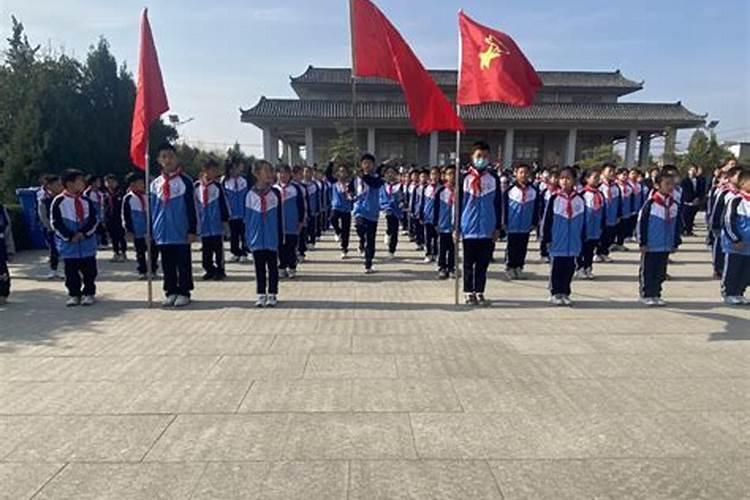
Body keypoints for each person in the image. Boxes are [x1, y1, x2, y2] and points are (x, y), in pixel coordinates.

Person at [151, 143, 197, 308]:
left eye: (170, 156)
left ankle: (184, 291)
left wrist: (192, 229)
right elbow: (153, 208)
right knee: (167, 264)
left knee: (183, 263)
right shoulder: (155, 183)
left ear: (176, 158)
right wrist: (152, 229)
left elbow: (192, 207)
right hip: (162, 231)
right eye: (164, 156)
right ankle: (170, 291)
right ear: (158, 160)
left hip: (180, 230)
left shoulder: (185, 181)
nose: (167, 160)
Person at [460, 141, 502, 306]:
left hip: (487, 228)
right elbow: (457, 205)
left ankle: (480, 291)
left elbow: (498, 204)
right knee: (468, 263)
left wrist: (497, 226)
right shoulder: (464, 178)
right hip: (468, 227)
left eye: (485, 156)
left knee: (483, 264)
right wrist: (456, 227)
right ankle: (468, 292)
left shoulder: (493, 179)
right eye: (478, 156)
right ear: (472, 157)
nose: (481, 159)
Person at [50, 169, 99, 307]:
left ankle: (89, 293)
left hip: (87, 244)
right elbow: (55, 223)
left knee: (90, 271)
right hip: (69, 245)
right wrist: (69, 236)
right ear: (69, 183)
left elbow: (94, 220)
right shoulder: (58, 201)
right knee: (71, 273)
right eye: (79, 181)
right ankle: (74, 294)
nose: (83, 183)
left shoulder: (86, 201)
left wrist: (84, 233)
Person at [542, 167, 585, 306]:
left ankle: (565, 292)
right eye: (562, 178)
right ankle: (555, 292)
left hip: (573, 241)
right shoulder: (554, 198)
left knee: (569, 268)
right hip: (558, 240)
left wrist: (583, 238)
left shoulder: (579, 199)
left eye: (568, 178)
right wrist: (547, 238)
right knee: (557, 268)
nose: (565, 181)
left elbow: (583, 221)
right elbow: (547, 220)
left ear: (574, 181)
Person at [637, 172, 682, 307]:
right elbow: (642, 223)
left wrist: (675, 241)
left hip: (666, 244)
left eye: (672, 184)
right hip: (651, 244)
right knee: (648, 270)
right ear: (657, 185)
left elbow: (677, 225)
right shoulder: (650, 204)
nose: (670, 187)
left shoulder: (674, 205)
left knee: (660, 271)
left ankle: (656, 293)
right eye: (666, 184)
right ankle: (646, 294)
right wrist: (642, 242)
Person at [244, 160, 283, 307]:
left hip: (271, 237)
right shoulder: (250, 195)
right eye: (266, 171)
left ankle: (272, 293)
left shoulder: (275, 194)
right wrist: (247, 238)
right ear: (256, 174)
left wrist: (281, 236)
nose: (270, 174)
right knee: (259, 267)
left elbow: (280, 218)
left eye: (271, 171)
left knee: (273, 266)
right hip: (256, 238)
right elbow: (247, 219)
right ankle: (261, 293)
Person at [503, 163, 540, 280]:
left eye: (526, 172)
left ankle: (519, 267)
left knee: (522, 247)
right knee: (512, 246)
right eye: (521, 172)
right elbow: (504, 207)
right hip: (512, 224)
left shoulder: (534, 190)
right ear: (516, 173)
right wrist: (504, 222)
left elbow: (536, 208)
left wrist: (534, 222)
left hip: (526, 225)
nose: (523, 175)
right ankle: (510, 267)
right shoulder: (509, 190)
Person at [195, 159, 230, 281]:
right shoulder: (197, 187)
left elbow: (224, 203)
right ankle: (209, 269)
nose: (215, 173)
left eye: (216, 170)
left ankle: (220, 270)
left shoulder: (217, 187)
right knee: (206, 250)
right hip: (204, 224)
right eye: (212, 170)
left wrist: (225, 218)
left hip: (216, 224)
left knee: (218, 250)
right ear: (205, 171)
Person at [720, 168, 750, 305]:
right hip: (736, 245)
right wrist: (735, 239)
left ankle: (739, 292)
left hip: (748, 247)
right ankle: (729, 292)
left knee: (745, 272)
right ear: (742, 183)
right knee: (733, 269)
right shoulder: (736, 201)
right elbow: (727, 221)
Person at [122, 172, 158, 279]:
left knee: (153, 251)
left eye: (142, 182)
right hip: (137, 230)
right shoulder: (128, 198)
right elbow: (125, 215)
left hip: (150, 229)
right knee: (140, 252)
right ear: (132, 185)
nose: (142, 184)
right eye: (139, 183)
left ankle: (153, 269)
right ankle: (142, 270)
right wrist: (128, 229)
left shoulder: (149, 196)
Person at [353, 153, 385, 274]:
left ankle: (368, 264)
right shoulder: (356, 178)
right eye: (364, 163)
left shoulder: (378, 178)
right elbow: (351, 189)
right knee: (359, 227)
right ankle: (361, 240)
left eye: (369, 163)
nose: (367, 165)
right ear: (361, 164)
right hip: (360, 210)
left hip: (372, 212)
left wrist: (363, 176)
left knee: (370, 240)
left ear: (373, 165)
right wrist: (350, 194)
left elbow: (374, 184)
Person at [710, 166, 742, 279]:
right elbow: (716, 210)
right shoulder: (725, 193)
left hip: (738, 230)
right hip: (722, 229)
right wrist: (714, 226)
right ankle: (718, 269)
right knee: (720, 249)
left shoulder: (743, 194)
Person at [275, 164, 306, 278]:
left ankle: (292, 267)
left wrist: (301, 220)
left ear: (290, 175)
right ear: (277, 174)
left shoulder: (295, 189)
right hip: (278, 225)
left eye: (286, 173)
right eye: (280, 173)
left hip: (292, 223)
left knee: (291, 246)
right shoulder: (274, 189)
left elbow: (301, 205)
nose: (283, 175)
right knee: (280, 247)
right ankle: (282, 266)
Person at [577, 168, 606, 279]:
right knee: (582, 249)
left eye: (598, 178)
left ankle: (588, 267)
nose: (597, 180)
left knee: (590, 249)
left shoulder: (600, 194)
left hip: (596, 228)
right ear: (586, 179)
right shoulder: (582, 194)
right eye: (594, 178)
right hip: (585, 228)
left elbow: (603, 211)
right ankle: (580, 268)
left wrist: (602, 225)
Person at [223, 159, 250, 263]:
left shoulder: (244, 181)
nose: (235, 171)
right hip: (231, 213)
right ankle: (235, 252)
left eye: (237, 168)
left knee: (243, 234)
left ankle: (244, 252)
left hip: (243, 213)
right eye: (232, 168)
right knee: (233, 235)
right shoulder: (225, 181)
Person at [37, 174, 63, 279]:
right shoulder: (44, 199)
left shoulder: (61, 198)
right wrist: (50, 227)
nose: (60, 187)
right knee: (53, 249)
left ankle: (66, 269)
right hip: (50, 229)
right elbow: (42, 215)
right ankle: (53, 270)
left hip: (62, 228)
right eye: (57, 185)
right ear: (49, 186)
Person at [596, 163, 622, 262]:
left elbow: (619, 202)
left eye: (613, 171)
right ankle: (597, 252)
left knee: (609, 236)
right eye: (609, 171)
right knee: (600, 235)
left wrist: (619, 214)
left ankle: (604, 252)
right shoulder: (599, 186)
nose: (612, 173)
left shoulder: (616, 187)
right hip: (602, 216)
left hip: (612, 216)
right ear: (603, 172)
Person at [434, 166, 457, 279]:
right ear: (445, 176)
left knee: (453, 248)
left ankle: (452, 267)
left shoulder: (461, 191)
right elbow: (436, 208)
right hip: (443, 224)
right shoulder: (441, 191)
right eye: (449, 174)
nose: (452, 176)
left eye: (454, 173)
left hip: (455, 226)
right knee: (442, 248)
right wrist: (435, 222)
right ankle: (442, 267)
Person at [380, 165, 404, 258]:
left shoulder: (399, 185)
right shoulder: (382, 185)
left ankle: (391, 250)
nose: (390, 174)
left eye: (392, 173)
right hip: (387, 208)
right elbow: (380, 196)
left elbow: (402, 196)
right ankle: (388, 233)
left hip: (397, 209)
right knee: (391, 223)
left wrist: (402, 202)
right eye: (388, 173)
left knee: (395, 229)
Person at [330, 166, 354, 259]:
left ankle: (344, 249)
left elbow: (353, 193)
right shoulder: (334, 182)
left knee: (346, 229)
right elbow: (328, 173)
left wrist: (350, 195)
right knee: (332, 218)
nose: (342, 173)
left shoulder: (350, 184)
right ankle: (338, 231)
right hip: (336, 206)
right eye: (340, 171)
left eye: (344, 171)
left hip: (346, 209)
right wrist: (331, 163)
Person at [538, 169, 559, 263]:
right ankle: (543, 253)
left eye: (557, 178)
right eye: (553, 178)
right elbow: (540, 206)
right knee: (544, 235)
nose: (555, 180)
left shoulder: (559, 192)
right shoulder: (544, 192)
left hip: (555, 218)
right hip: (544, 218)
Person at [420, 167, 442, 263]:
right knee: (428, 237)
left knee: (437, 237)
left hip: (438, 217)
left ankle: (436, 254)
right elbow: (422, 202)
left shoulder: (442, 188)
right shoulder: (426, 188)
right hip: (427, 216)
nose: (434, 176)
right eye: (432, 174)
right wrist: (421, 214)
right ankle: (428, 254)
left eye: (436, 174)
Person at [104, 174, 127, 262]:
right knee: (113, 237)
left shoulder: (121, 193)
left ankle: (123, 252)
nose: (110, 184)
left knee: (121, 236)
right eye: (107, 182)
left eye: (112, 182)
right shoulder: (105, 194)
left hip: (119, 218)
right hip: (110, 219)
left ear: (116, 182)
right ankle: (116, 252)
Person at [680, 164, 707, 236]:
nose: (693, 172)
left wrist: (698, 198)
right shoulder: (684, 181)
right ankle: (684, 230)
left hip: (696, 203)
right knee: (686, 217)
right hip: (687, 202)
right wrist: (691, 199)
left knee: (692, 217)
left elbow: (701, 191)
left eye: (695, 170)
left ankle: (689, 230)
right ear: (688, 171)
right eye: (692, 170)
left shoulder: (699, 180)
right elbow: (685, 192)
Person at [84, 175, 109, 249]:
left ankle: (102, 243)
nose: (99, 183)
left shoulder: (100, 193)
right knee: (94, 230)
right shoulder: (87, 193)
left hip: (100, 215)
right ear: (92, 182)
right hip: (92, 215)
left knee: (101, 229)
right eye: (97, 181)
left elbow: (103, 205)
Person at [613, 167, 634, 251]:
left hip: (626, 211)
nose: (625, 177)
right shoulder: (615, 186)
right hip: (616, 212)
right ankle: (612, 243)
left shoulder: (629, 187)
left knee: (623, 228)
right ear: (618, 175)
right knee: (614, 229)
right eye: (623, 175)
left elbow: (632, 199)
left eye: (626, 175)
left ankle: (620, 243)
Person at [302, 166, 320, 249]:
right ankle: (305, 243)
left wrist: (318, 208)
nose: (307, 174)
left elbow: (317, 197)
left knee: (312, 226)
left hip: (312, 209)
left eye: (308, 172)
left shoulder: (314, 185)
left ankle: (312, 242)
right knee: (304, 228)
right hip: (304, 210)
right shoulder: (301, 185)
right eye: (305, 172)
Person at [0, 202, 10, 304]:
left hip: (1, 243)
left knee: (2, 269)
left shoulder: (1, 208)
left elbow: (7, 228)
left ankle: (3, 293)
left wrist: (10, 249)